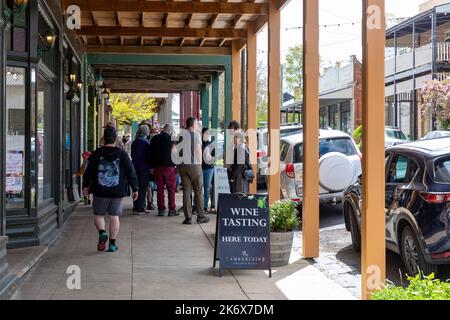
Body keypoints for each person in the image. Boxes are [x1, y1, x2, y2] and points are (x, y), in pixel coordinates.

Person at [82, 126, 138, 253]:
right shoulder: (122, 154)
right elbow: (131, 172)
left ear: (103, 138)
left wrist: (86, 186)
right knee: (114, 216)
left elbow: (88, 172)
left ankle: (102, 233)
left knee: (98, 215)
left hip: (100, 190)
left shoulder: (96, 153)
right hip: (117, 192)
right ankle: (112, 244)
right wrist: (135, 188)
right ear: (116, 139)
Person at [177, 117, 209, 225]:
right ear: (194, 124)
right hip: (194, 165)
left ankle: (188, 218)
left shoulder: (180, 135)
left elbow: (173, 149)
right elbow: (198, 149)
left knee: (186, 191)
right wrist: (199, 162)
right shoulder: (196, 135)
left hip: (183, 166)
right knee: (198, 191)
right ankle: (201, 216)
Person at [150, 123, 178, 217]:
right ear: (170, 131)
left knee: (160, 189)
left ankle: (161, 209)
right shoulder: (173, 140)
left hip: (158, 167)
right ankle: (172, 209)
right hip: (169, 167)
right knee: (171, 189)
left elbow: (151, 154)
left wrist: (152, 167)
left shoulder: (155, 139)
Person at [131, 124, 152, 215]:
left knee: (136, 188)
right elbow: (148, 156)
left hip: (135, 167)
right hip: (144, 168)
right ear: (146, 132)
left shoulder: (135, 142)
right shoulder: (145, 142)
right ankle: (140, 208)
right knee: (143, 188)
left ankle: (136, 207)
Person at [229, 129, 251, 193]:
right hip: (242, 175)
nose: (233, 139)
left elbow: (239, 165)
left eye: (234, 138)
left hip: (240, 176)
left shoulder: (241, 148)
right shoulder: (242, 146)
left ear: (238, 138)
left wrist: (233, 176)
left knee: (239, 195)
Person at [202, 128, 215, 212]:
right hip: (199, 168)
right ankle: (195, 206)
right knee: (198, 188)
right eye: (206, 133)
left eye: (208, 134)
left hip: (209, 169)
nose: (207, 135)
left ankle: (205, 206)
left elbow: (214, 158)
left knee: (206, 188)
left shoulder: (211, 145)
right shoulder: (198, 144)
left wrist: (209, 157)